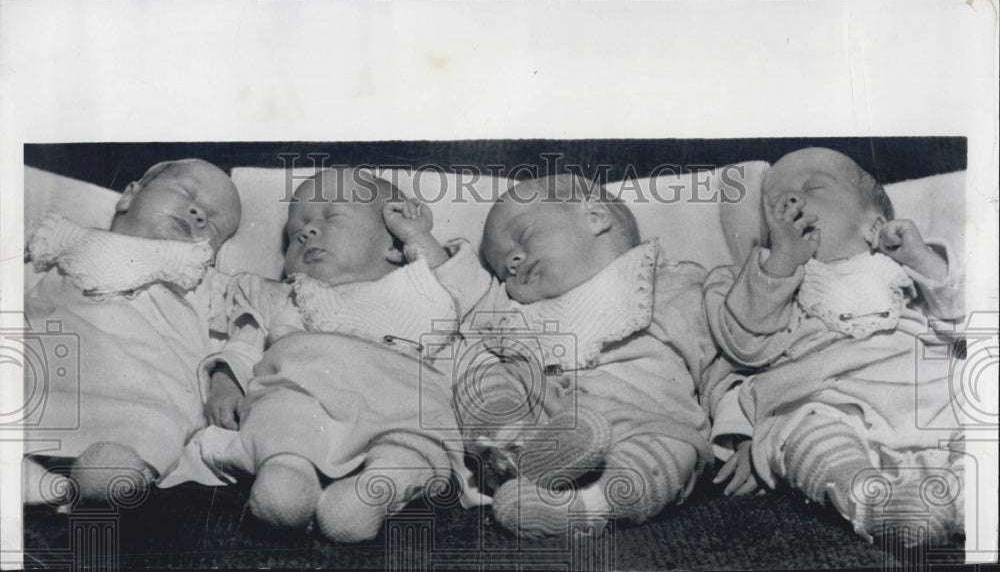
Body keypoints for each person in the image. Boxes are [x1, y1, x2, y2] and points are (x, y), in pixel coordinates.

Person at [200, 168, 489, 542]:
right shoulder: (283, 296)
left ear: (392, 244)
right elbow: (244, 344)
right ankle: (287, 471)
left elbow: (473, 292)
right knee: (281, 412)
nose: (306, 231)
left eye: (332, 217)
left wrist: (416, 235)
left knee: (418, 442)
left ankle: (373, 491)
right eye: (294, 232)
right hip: (307, 392)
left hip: (402, 399)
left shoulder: (424, 284)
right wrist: (225, 382)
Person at [704, 147, 965, 546]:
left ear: (875, 225)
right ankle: (873, 504)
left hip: (929, 397)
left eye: (813, 187)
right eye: (773, 202)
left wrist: (924, 260)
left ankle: (969, 500)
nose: (789, 200)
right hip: (830, 400)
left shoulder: (901, 267)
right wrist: (781, 261)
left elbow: (965, 322)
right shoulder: (767, 278)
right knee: (804, 431)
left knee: (979, 417)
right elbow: (743, 350)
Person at [454, 174, 720, 539]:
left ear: (594, 216)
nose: (513, 262)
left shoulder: (670, 285)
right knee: (477, 370)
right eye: (503, 269)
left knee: (679, 449)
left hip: (641, 424)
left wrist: (738, 434)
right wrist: (420, 241)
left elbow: (721, 361)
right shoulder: (513, 310)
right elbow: (462, 294)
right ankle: (509, 446)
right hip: (543, 420)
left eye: (525, 234)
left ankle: (583, 507)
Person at [24, 159, 241, 504]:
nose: (199, 215)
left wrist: (227, 378)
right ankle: (40, 480)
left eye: (214, 226)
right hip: (48, 358)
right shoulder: (65, 240)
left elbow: (244, 332)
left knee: (157, 425)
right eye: (187, 194)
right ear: (129, 195)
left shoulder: (202, 281)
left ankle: (97, 475)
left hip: (145, 391)